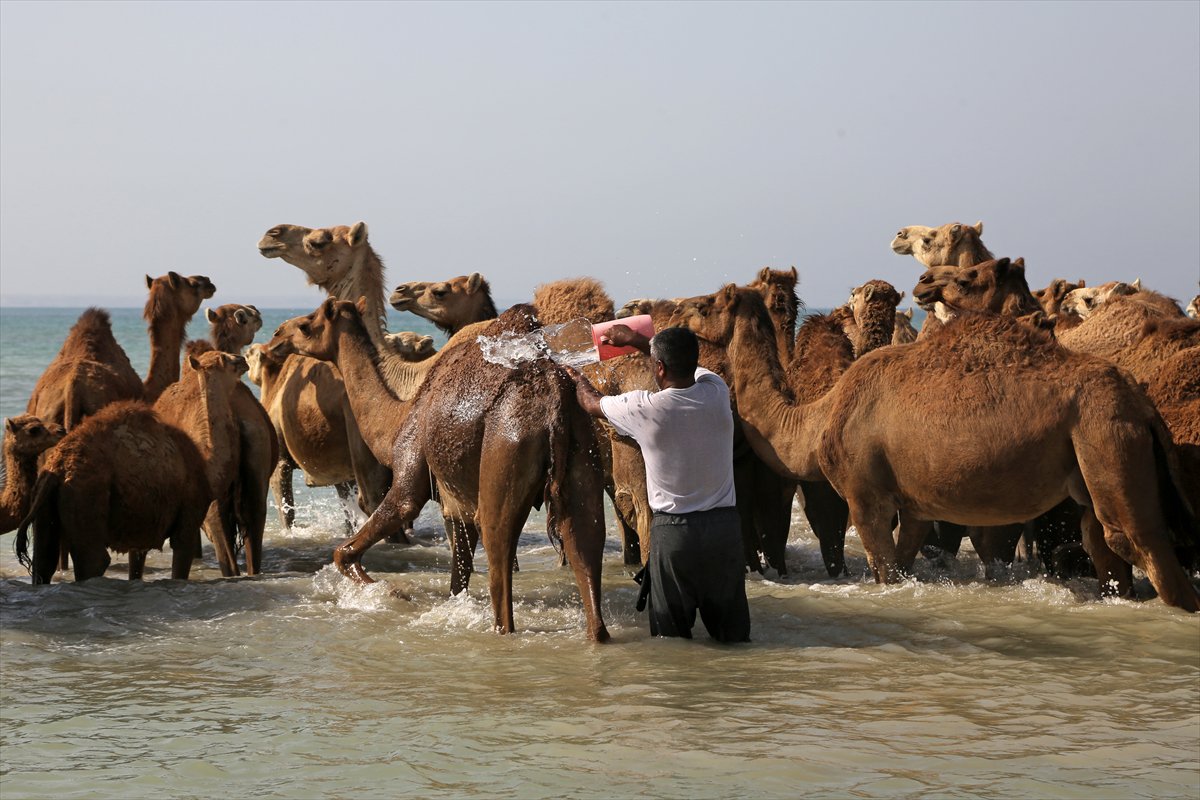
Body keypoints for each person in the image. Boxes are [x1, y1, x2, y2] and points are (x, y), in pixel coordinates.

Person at [564, 324, 750, 643]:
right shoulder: (717, 391)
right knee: (733, 639)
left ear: (659, 368)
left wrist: (577, 379)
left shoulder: (645, 409)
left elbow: (592, 403)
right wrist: (639, 341)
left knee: (672, 642)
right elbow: (687, 367)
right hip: (725, 534)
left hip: (675, 536)